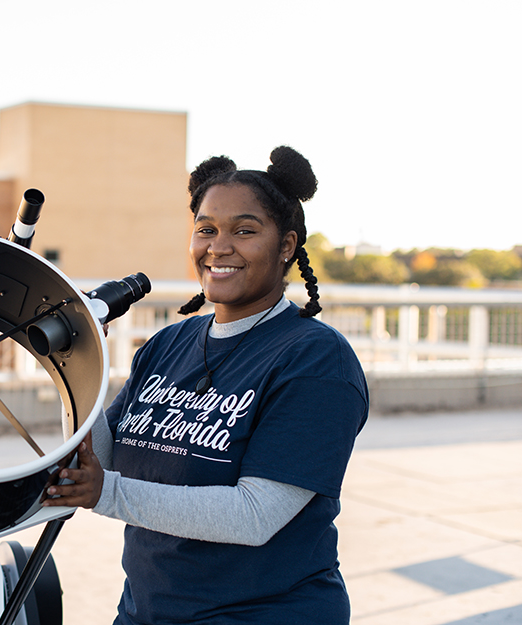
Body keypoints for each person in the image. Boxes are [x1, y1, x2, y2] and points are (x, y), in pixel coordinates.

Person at [42, 146, 369, 624]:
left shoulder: (316, 359)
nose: (218, 246)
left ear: (286, 246)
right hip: (146, 610)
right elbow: (103, 460)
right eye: (206, 229)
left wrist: (105, 495)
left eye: (245, 230)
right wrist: (77, 366)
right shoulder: (167, 343)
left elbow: (254, 514)